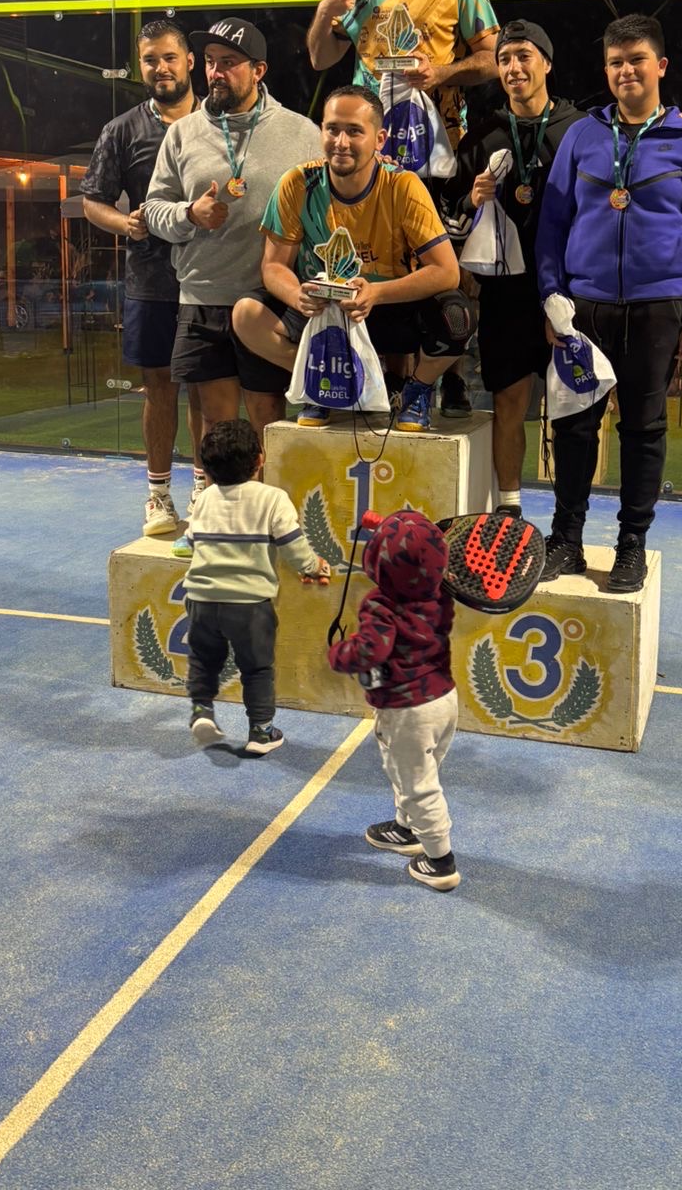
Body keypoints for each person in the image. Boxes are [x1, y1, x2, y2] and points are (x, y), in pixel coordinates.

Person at [536, 13, 682, 593]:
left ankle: (631, 544)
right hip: (584, 311)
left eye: (637, 59)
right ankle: (566, 541)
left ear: (660, 66)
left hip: (657, 309)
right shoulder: (582, 137)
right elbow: (552, 224)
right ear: (607, 70)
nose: (626, 70)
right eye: (616, 62)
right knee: (574, 428)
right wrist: (551, 296)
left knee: (643, 429)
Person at [306, 0, 499, 417]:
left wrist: (442, 73)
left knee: (444, 264)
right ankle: (385, 378)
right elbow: (321, 56)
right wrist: (324, 11)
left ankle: (449, 375)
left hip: (435, 148)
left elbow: (490, 58)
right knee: (376, 261)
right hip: (371, 153)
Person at [232, 84, 474, 434]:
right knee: (246, 316)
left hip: (382, 309)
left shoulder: (403, 186)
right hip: (324, 312)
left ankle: (415, 391)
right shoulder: (297, 183)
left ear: (380, 139)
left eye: (354, 131)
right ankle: (323, 378)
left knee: (457, 317)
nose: (341, 142)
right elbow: (273, 266)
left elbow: (447, 271)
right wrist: (297, 295)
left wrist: (376, 293)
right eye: (332, 129)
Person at [142, 15, 320, 443]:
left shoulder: (302, 133)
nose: (215, 73)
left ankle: (268, 492)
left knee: (268, 418)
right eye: (209, 61)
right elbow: (153, 209)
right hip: (203, 296)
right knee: (215, 425)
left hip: (266, 302)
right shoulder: (182, 133)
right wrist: (189, 214)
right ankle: (216, 490)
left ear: (259, 70)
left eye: (229, 62)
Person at [444, 20, 584, 516]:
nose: (513, 67)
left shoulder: (580, 131)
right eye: (504, 59)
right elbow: (450, 219)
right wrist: (471, 198)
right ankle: (509, 511)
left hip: (567, 292)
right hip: (506, 294)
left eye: (524, 56)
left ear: (546, 63)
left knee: (574, 410)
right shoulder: (482, 136)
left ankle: (569, 520)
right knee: (507, 402)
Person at [80, 19, 206, 537]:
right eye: (150, 60)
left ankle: (205, 491)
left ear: (189, 61)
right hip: (151, 282)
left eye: (169, 57)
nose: (161, 68)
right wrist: (125, 224)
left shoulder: (219, 123)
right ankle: (159, 496)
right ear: (140, 67)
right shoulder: (122, 130)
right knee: (159, 388)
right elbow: (92, 201)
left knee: (208, 389)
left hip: (211, 278)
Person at [327, 509, 461, 892]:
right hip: (444, 699)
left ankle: (441, 861)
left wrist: (339, 654)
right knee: (416, 770)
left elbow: (371, 650)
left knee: (418, 783)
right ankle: (407, 829)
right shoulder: (440, 593)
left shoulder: (381, 605)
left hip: (408, 710)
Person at [179, 419, 328, 756]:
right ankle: (261, 732)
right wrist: (313, 567)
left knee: (203, 661)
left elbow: (191, 541)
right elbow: (292, 545)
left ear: (207, 469)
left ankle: (202, 711)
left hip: (201, 599)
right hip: (249, 604)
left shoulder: (204, 499)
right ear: (260, 459)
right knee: (257, 668)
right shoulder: (272, 498)